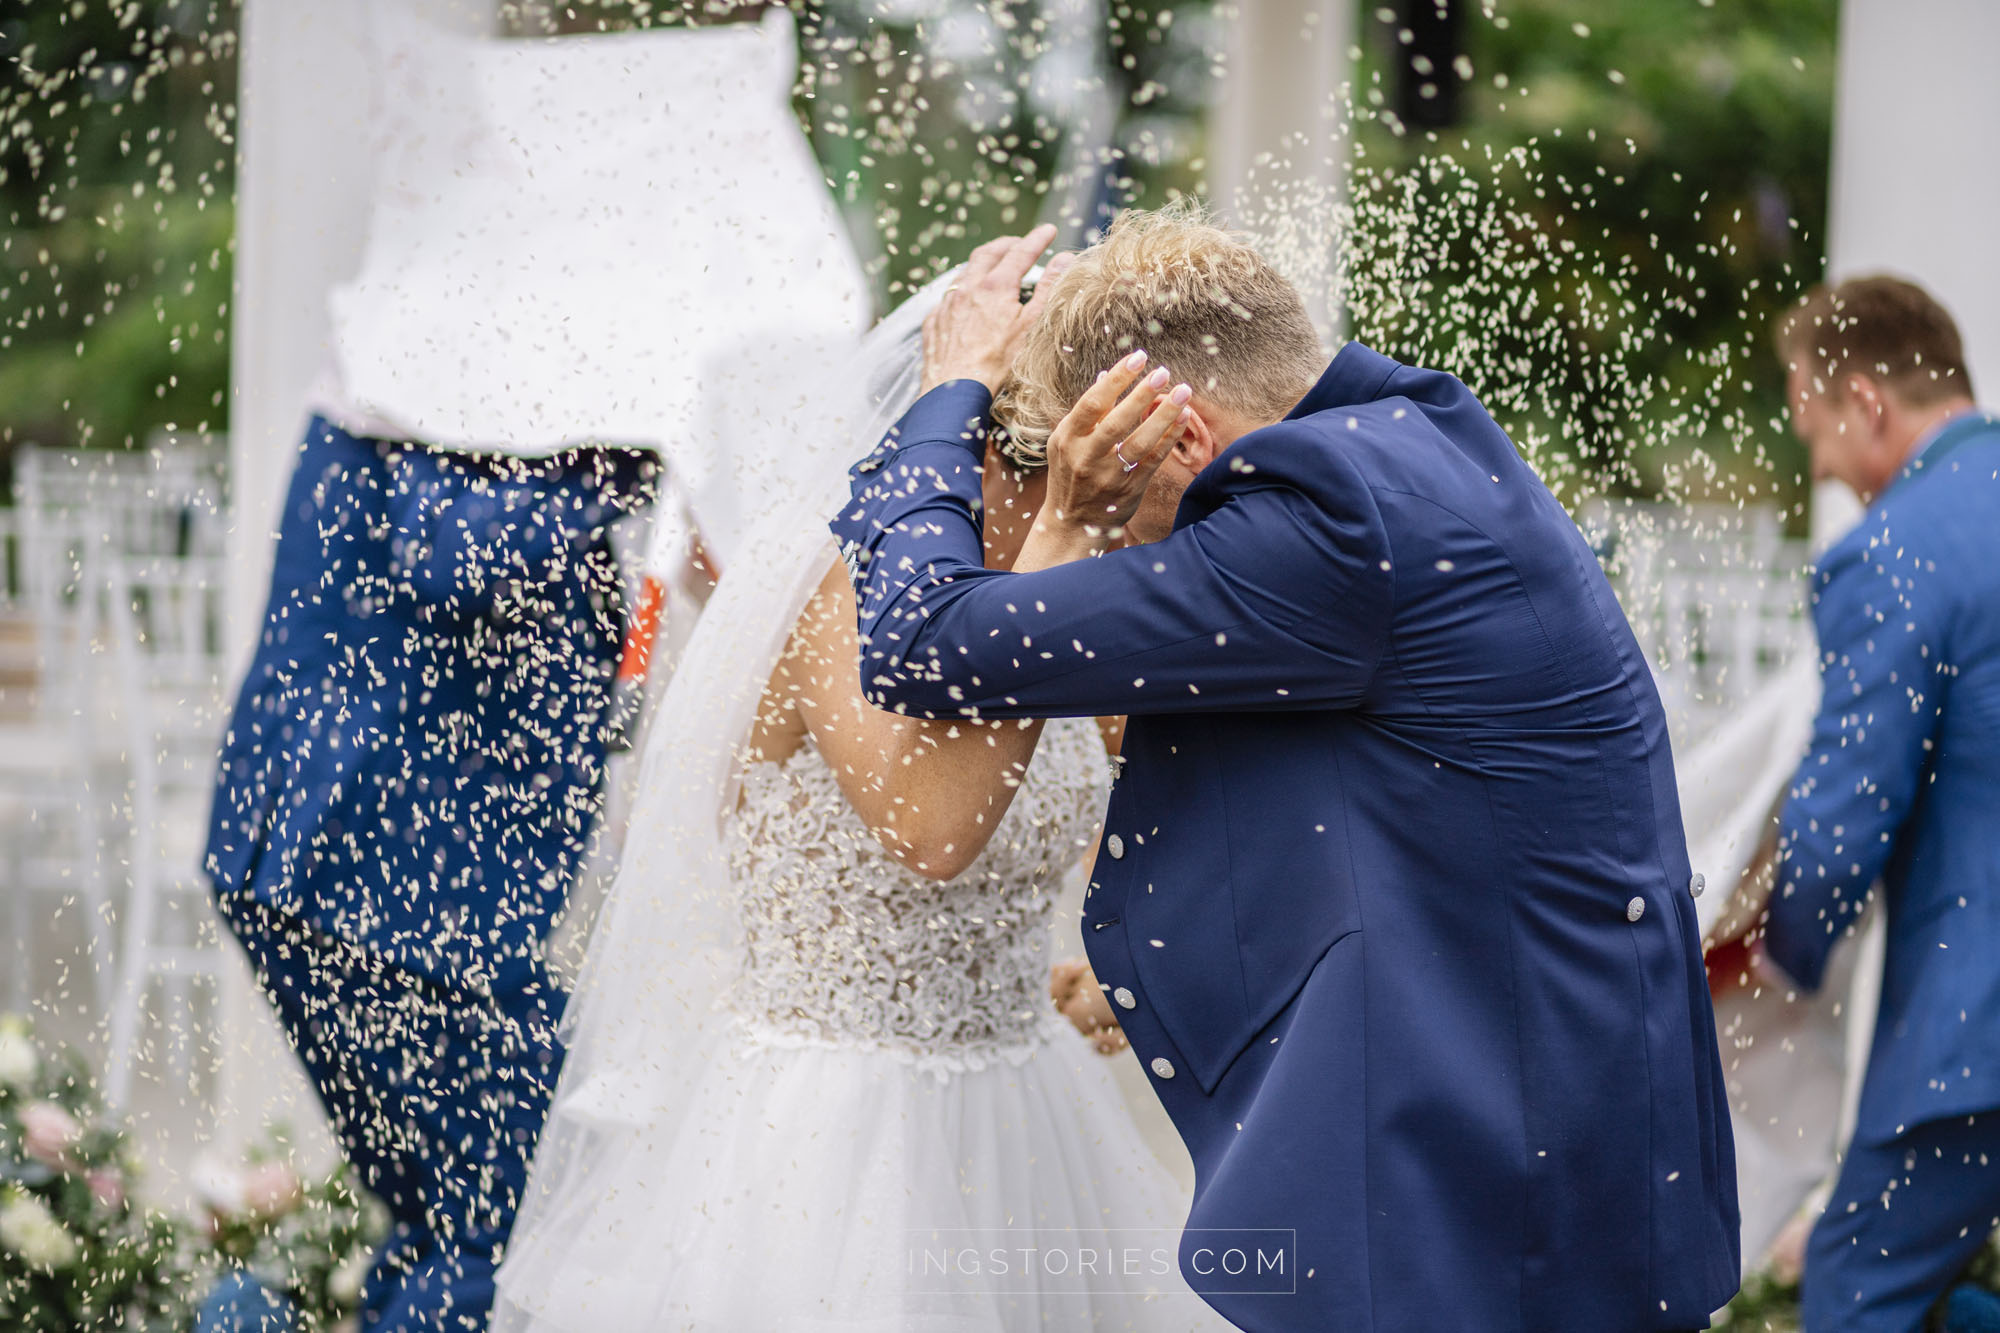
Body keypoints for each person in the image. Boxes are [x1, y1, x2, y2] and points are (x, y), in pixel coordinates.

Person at [832, 208, 1741, 1331]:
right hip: (1552, 1148)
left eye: (1123, 499)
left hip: (1472, 1209)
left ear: (1175, 438)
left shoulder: (1325, 522)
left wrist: (948, 393)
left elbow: (924, 643)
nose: (1121, 538)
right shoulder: (1414, 438)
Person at [488, 276, 1229, 1332]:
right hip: (828, 1141)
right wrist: (1064, 544)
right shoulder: (844, 595)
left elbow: (1139, 816)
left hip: (1026, 1111)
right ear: (1006, 458)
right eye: (1112, 466)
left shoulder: (1090, 577)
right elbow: (930, 829)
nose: (1133, 505)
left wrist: (1134, 958)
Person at [1758, 275, 2000, 1333]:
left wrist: (1777, 959)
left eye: (1814, 436)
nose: (1823, 472)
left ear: (1861, 400)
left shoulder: (1894, 548)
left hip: (1975, 1029)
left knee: (1857, 1284)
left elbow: (1844, 808)